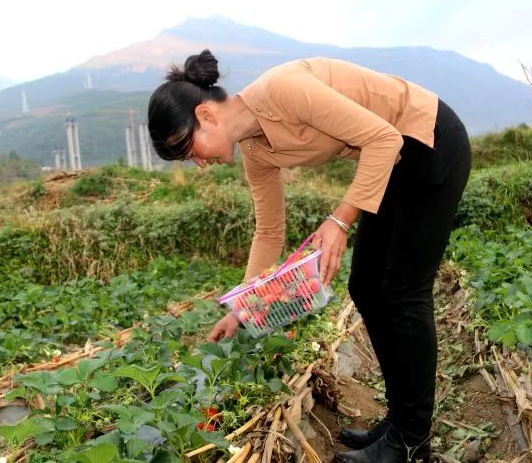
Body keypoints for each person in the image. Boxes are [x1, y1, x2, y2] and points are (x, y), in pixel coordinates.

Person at [147, 49, 471, 462]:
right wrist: (242, 307)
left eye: (190, 149)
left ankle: (411, 441)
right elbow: (269, 231)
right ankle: (401, 419)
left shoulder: (282, 90)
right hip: (393, 161)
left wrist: (339, 221)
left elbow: (384, 138)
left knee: (403, 291)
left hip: (427, 140)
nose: (198, 164)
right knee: (367, 286)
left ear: (207, 115)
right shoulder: (256, 150)